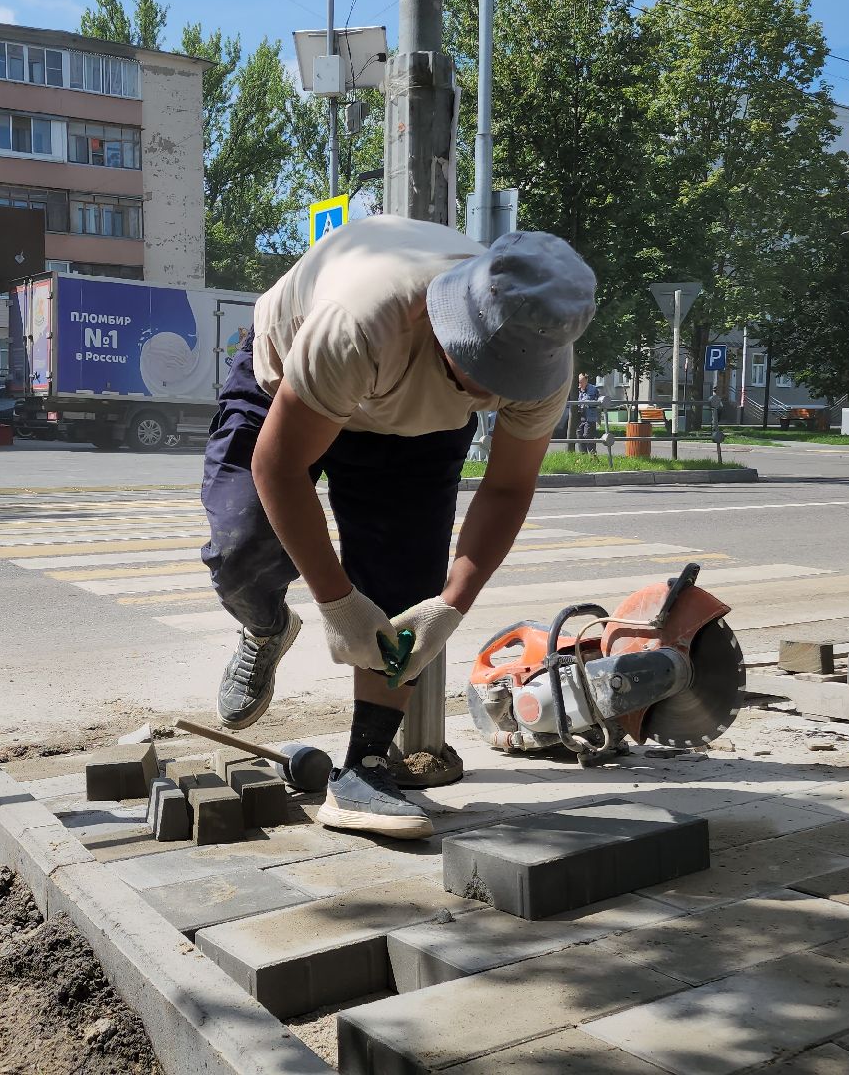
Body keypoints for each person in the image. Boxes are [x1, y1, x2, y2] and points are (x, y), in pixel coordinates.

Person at [199, 215, 597, 840]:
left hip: (416, 431)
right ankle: (265, 627)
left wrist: (450, 607)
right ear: (454, 328)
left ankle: (365, 768)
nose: (495, 396)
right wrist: (337, 603)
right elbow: (279, 466)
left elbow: (508, 487)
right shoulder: (364, 319)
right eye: (483, 373)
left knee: (404, 594)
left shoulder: (542, 346)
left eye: (507, 383)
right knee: (241, 541)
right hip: (288, 379)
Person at [575, 373, 604, 453]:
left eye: (581, 382)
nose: (579, 384)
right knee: (579, 434)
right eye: (579, 382)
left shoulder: (592, 389)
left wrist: (583, 402)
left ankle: (593, 457)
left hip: (590, 416)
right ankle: (583, 456)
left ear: (586, 380)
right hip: (581, 416)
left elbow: (594, 402)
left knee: (588, 435)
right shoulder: (580, 390)